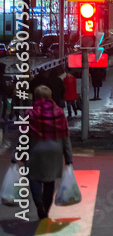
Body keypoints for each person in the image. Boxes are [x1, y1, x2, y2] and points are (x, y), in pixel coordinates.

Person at [26, 85, 73, 221]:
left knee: (34, 178)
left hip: (35, 150)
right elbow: (65, 136)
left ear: (36, 97)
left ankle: (39, 204)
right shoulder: (59, 112)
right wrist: (69, 157)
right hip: (55, 151)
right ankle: (46, 210)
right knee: (49, 181)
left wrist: (16, 154)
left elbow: (23, 136)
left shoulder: (30, 113)